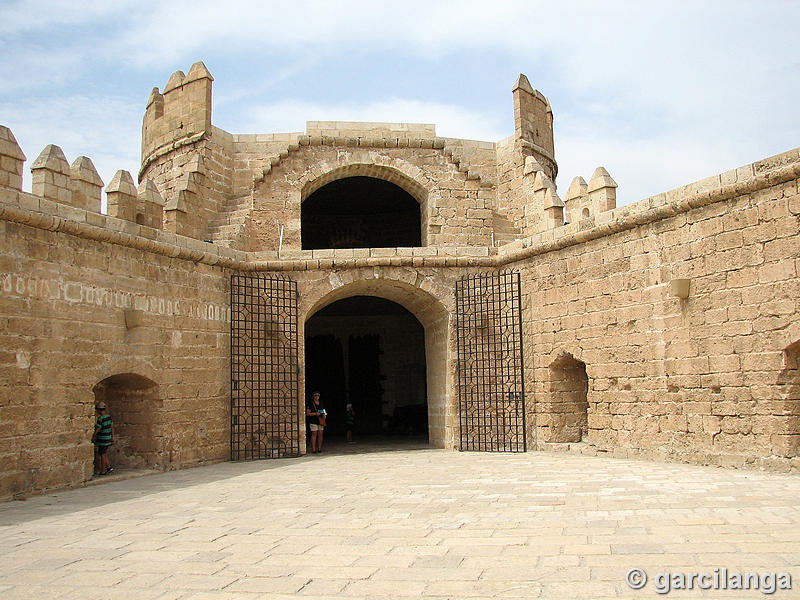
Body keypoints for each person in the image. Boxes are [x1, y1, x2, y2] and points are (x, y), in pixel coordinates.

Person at [92, 401, 115, 475]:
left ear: (98, 410)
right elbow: (112, 427)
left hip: (102, 438)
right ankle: (108, 467)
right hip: (108, 437)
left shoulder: (100, 419)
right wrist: (112, 436)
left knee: (102, 454)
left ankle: (103, 470)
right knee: (104, 453)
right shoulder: (108, 417)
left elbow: (98, 428)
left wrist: (94, 436)